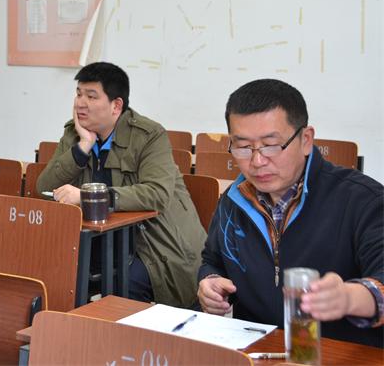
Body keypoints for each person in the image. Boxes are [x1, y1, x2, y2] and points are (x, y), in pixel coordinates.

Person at [198, 79, 383, 347]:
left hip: (338, 354)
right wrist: (210, 283)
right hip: (257, 350)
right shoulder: (234, 200)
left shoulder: (363, 200)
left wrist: (349, 298)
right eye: (244, 147)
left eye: (271, 145)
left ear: (305, 140)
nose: (257, 161)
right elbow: (212, 260)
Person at [37, 61, 205, 307]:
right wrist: (82, 148)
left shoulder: (149, 135)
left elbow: (156, 194)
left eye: (91, 96)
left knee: (124, 285)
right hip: (100, 241)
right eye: (78, 94)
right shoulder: (75, 133)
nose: (80, 103)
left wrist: (88, 196)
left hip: (153, 245)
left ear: (116, 105)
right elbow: (43, 187)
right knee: (49, 270)